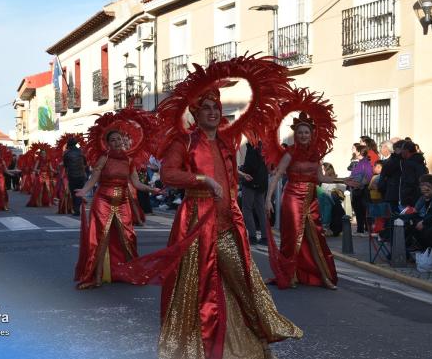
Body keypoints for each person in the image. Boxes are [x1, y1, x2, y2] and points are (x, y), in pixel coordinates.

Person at [114, 57, 303, 358]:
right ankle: (201, 347)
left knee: (244, 283)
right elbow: (168, 174)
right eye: (207, 108)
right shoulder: (184, 142)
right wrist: (203, 180)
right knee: (199, 290)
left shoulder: (226, 142)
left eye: (216, 107)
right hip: (197, 222)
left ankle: (253, 341)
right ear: (196, 113)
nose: (213, 112)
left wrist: (234, 175)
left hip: (229, 224)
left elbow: (223, 171)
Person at [266, 112, 354, 289]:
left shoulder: (316, 154)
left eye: (306, 132)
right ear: (295, 135)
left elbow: (320, 178)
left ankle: (324, 276)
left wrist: (342, 180)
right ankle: (289, 275)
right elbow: (277, 175)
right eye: (300, 132)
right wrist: (268, 199)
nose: (303, 135)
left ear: (311, 134)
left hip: (311, 199)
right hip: (292, 198)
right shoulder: (290, 153)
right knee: (292, 238)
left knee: (316, 237)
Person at [74, 130, 160, 289]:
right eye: (112, 140)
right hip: (103, 201)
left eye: (119, 139)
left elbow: (136, 183)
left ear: (123, 140)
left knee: (128, 237)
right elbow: (93, 179)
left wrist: (151, 189)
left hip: (123, 202)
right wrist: (84, 191)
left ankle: (133, 272)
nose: (117, 142)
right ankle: (97, 276)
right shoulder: (104, 158)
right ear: (107, 144)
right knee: (101, 239)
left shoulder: (129, 160)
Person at [239, 141, 269, 245]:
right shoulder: (264, 148)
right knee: (260, 210)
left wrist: (242, 169)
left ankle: (252, 236)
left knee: (247, 209)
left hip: (250, 182)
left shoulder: (252, 148)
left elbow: (250, 166)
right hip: (262, 183)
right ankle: (265, 236)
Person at [349, 143, 373, 233]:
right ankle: (360, 229)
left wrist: (359, 185)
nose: (354, 151)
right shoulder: (360, 163)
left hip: (362, 190)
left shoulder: (365, 163)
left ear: (359, 152)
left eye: (355, 149)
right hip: (357, 189)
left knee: (363, 210)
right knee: (358, 210)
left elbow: (368, 176)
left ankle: (365, 229)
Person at [399, 140, 428, 208]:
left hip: (411, 199)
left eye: (402, 149)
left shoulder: (409, 164)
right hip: (417, 197)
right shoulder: (419, 161)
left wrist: (406, 198)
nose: (400, 152)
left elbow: (409, 182)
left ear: (406, 150)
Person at [63, 137, 87, 215]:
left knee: (73, 192)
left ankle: (76, 209)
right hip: (81, 175)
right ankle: (78, 207)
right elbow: (85, 163)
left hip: (72, 175)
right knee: (80, 191)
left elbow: (65, 165)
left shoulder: (66, 153)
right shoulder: (81, 152)